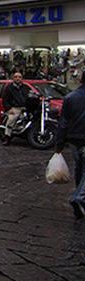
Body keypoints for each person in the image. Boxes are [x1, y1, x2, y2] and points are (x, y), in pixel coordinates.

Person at [56, 72, 85, 219]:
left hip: (74, 139)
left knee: (79, 168)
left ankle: (79, 206)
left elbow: (63, 123)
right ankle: (78, 197)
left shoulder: (70, 97)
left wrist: (59, 143)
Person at [1, 71, 29, 145]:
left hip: (24, 108)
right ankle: (7, 137)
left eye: (19, 77)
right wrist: (9, 109)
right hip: (15, 108)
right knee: (11, 120)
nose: (18, 79)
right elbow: (5, 99)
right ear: (13, 78)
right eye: (16, 77)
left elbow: (29, 96)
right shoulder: (9, 88)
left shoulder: (25, 87)